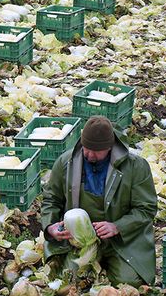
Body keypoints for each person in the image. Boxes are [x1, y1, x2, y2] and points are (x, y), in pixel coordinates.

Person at [40, 116, 158, 287]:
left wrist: (117, 226)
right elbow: (51, 199)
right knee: (66, 280)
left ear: (110, 147)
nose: (89, 154)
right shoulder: (66, 162)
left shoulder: (136, 167)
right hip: (78, 240)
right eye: (86, 148)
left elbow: (146, 209)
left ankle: (111, 260)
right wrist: (50, 227)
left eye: (96, 151)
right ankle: (90, 259)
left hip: (120, 242)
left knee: (128, 282)